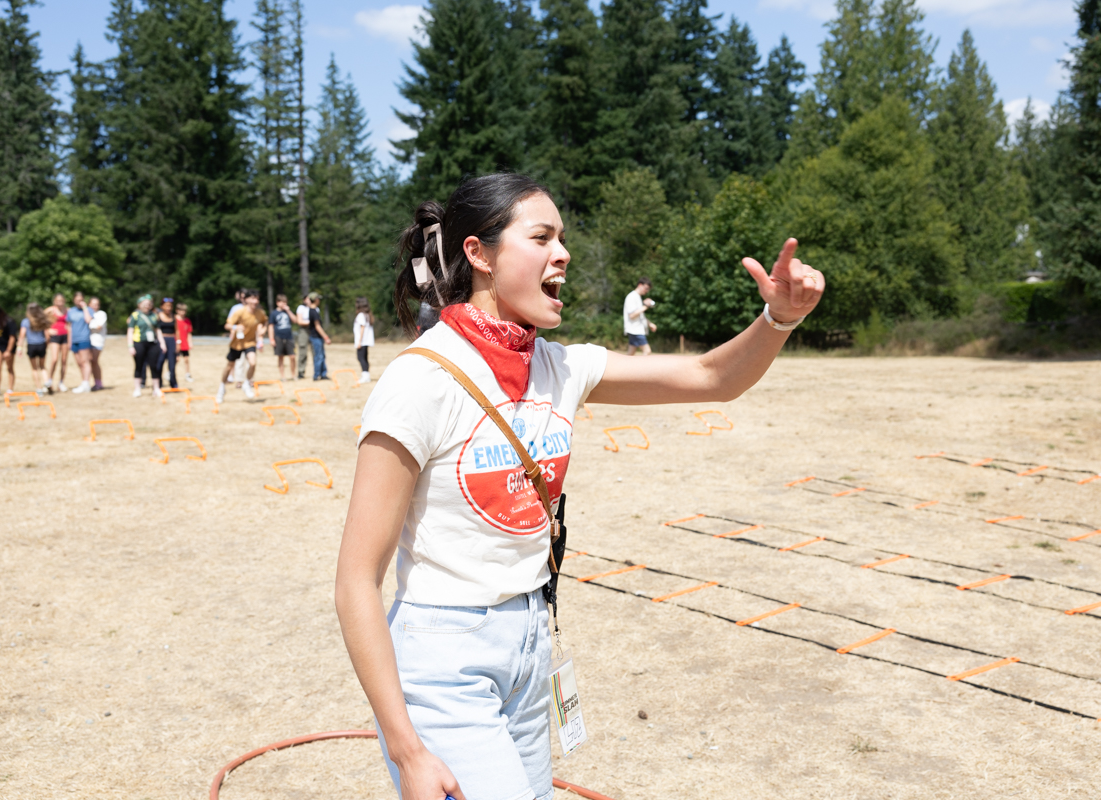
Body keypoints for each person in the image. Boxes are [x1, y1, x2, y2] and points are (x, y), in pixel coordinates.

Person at [333, 173, 824, 800]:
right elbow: (356, 581)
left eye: (562, 238)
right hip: (442, 658)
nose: (563, 253)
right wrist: (407, 749)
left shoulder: (561, 366)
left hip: (531, 639)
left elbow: (712, 377)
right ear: (479, 254)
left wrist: (779, 318)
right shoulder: (421, 380)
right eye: (541, 237)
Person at [217, 289, 267, 402]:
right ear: (247, 299)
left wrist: (263, 329)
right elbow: (227, 325)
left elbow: (265, 321)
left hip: (250, 342)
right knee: (229, 366)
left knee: (253, 363)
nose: (255, 301)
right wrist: (235, 327)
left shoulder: (260, 313)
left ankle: (246, 384)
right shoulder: (240, 312)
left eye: (257, 299)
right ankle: (222, 387)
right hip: (237, 343)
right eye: (253, 298)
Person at [127, 295, 164, 398]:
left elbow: (158, 330)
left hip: (153, 343)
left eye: (149, 304)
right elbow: (130, 331)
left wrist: (162, 343)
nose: (147, 305)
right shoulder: (135, 315)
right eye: (145, 304)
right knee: (139, 366)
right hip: (139, 343)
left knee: (154, 366)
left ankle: (156, 388)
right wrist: (130, 346)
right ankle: (137, 389)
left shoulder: (154, 315)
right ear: (139, 304)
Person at [66, 292, 94, 393]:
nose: (79, 302)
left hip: (84, 339)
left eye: (81, 300)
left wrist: (84, 307)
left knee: (85, 362)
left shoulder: (88, 310)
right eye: (77, 300)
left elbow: (88, 320)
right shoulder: (71, 311)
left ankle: (86, 384)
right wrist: (69, 341)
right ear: (74, 300)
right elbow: (69, 327)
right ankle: (84, 383)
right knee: (79, 363)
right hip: (74, 340)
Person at [19, 303, 51, 392]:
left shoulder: (25, 321)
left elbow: (22, 335)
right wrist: (46, 345)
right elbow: (47, 336)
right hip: (41, 345)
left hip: (31, 346)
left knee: (34, 368)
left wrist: (19, 348)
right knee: (42, 366)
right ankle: (46, 381)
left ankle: (39, 389)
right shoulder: (42, 321)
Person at [623, 278, 657, 355]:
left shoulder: (637, 297)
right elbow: (632, 315)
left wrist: (649, 324)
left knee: (630, 354)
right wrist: (646, 306)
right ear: (640, 285)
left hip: (635, 329)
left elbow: (640, 315)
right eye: (646, 288)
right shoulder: (632, 296)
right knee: (647, 351)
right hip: (635, 330)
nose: (647, 291)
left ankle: (622, 363)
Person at [45, 293, 70, 392]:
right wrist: (48, 330)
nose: (59, 303)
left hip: (65, 336)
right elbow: (39, 318)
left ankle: (61, 383)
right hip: (55, 337)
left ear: (64, 301)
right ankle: (49, 381)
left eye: (61, 301)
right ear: (54, 301)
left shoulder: (68, 310)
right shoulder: (50, 310)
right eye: (57, 301)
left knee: (64, 360)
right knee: (54, 359)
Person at [269, 294, 296, 380]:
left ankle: (293, 375)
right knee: (281, 357)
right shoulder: (274, 313)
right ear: (277, 303)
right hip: (278, 337)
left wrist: (288, 311)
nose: (284, 304)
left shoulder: (287, 312)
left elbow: (295, 320)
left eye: (285, 302)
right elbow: (271, 326)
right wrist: (271, 339)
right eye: (282, 302)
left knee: (292, 356)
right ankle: (282, 376)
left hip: (289, 337)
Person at [0, 307, 17, 396]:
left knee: (9, 368)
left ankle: (10, 389)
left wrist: (8, 351)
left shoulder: (10, 322)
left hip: (9, 348)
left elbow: (12, 337)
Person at [306, 291, 331, 381]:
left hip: (317, 337)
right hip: (315, 337)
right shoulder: (314, 312)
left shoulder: (314, 310)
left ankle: (323, 374)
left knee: (322, 355)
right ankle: (316, 375)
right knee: (318, 356)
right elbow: (317, 326)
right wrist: (326, 337)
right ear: (316, 300)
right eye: (318, 299)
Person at [156, 297, 179, 389]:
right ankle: (158, 383)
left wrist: (178, 343)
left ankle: (173, 383)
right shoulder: (157, 316)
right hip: (161, 341)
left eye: (170, 306)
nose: (168, 308)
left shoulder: (174, 317)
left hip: (171, 340)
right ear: (162, 306)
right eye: (166, 306)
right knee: (159, 363)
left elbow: (177, 331)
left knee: (172, 364)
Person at [352, 297, 375, 383]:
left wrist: (359, 341)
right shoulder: (367, 315)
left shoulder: (361, 315)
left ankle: (365, 376)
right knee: (364, 358)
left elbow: (362, 328)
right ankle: (366, 376)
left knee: (361, 358)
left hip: (362, 341)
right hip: (366, 341)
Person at [88, 297, 107, 391]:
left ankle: (98, 383)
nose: (95, 306)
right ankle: (91, 382)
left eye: (97, 304)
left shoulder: (101, 314)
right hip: (87, 341)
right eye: (93, 304)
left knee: (94, 361)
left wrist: (88, 322)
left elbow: (98, 327)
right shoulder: (87, 313)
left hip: (97, 342)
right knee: (89, 362)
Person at [295, 293, 312, 379]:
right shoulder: (301, 308)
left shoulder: (315, 308)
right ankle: (301, 372)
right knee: (303, 352)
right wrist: (310, 322)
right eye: (307, 299)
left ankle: (318, 372)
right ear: (304, 300)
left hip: (313, 331)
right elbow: (299, 321)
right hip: (303, 331)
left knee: (316, 352)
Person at [175, 303, 193, 382]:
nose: (183, 312)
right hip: (176, 343)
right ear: (177, 310)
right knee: (176, 359)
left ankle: (187, 374)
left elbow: (189, 333)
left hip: (184, 343)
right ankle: (170, 373)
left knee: (186, 359)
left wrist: (190, 343)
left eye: (184, 311)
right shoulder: (174, 319)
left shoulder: (187, 321)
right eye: (181, 310)